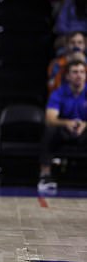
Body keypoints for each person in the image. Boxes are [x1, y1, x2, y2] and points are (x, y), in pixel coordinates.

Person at [38, 59, 87, 192]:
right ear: (67, 76)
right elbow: (50, 118)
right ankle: (45, 175)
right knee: (50, 130)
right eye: (75, 72)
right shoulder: (58, 93)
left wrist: (85, 124)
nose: (79, 75)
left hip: (84, 131)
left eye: (82, 72)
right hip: (65, 130)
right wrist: (67, 123)